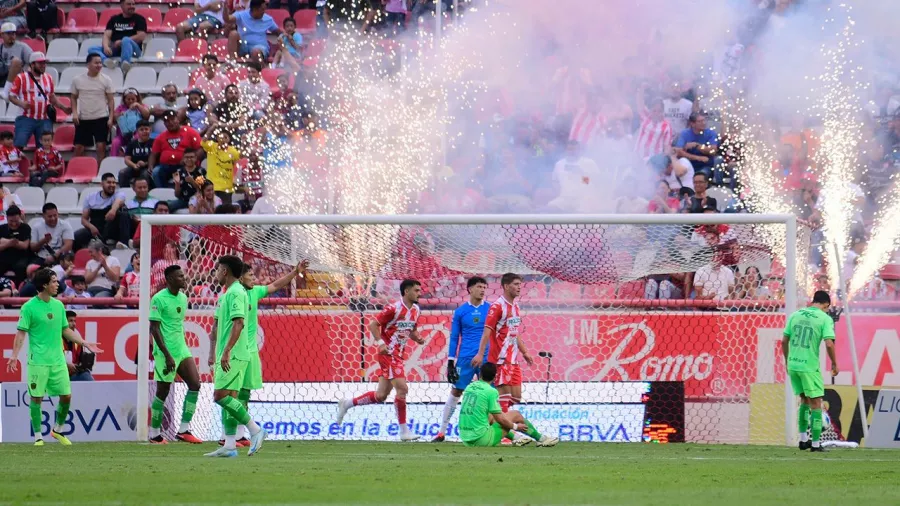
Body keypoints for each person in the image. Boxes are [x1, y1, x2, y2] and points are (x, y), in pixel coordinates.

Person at [5, 268, 103, 446]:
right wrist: (14, 355)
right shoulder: (29, 307)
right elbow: (20, 334)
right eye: (54, 281)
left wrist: (84, 343)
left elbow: (65, 329)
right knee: (37, 398)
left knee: (66, 396)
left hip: (58, 360)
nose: (58, 284)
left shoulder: (58, 306)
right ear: (44, 285)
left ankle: (57, 430)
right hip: (38, 361)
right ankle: (38, 437)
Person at [219, 259, 307, 446]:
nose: (254, 278)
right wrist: (217, 353)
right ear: (240, 277)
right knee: (228, 393)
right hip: (236, 350)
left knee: (243, 393)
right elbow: (217, 327)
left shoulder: (254, 292)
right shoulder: (231, 295)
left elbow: (275, 285)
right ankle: (227, 434)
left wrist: (294, 272)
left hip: (249, 353)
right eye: (250, 275)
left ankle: (239, 435)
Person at [336, 279, 426, 442]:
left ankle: (347, 404)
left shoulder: (416, 310)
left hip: (398, 354)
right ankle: (404, 431)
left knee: (381, 395)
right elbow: (372, 325)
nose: (420, 293)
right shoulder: (393, 308)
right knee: (402, 389)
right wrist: (380, 343)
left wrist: (417, 338)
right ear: (406, 292)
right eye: (417, 290)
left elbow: (411, 330)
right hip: (388, 354)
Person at [204, 255, 267, 457]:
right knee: (230, 398)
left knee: (220, 396)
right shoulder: (230, 293)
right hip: (233, 353)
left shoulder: (236, 293)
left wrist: (227, 350)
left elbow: (238, 323)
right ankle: (230, 445)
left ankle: (255, 430)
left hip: (235, 354)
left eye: (217, 269)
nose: (215, 273)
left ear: (225, 271)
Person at [148, 264, 204, 444]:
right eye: (180, 276)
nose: (185, 279)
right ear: (170, 279)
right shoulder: (158, 299)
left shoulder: (183, 297)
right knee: (162, 392)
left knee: (195, 384)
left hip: (181, 348)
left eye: (184, 276)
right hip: (166, 352)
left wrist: (178, 351)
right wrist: (167, 355)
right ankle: (155, 434)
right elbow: (154, 329)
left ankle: (184, 429)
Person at [433, 276, 490, 442]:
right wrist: (451, 361)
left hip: (486, 356)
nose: (482, 290)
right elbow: (454, 337)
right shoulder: (460, 311)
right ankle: (442, 431)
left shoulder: (491, 309)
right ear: (470, 289)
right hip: (465, 357)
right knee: (456, 390)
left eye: (484, 287)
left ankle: (485, 430)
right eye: (479, 287)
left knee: (487, 393)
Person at [782, 291, 839, 452]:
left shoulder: (795, 314)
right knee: (816, 403)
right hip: (809, 367)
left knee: (804, 401)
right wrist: (834, 363)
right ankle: (815, 444)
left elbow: (784, 340)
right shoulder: (825, 318)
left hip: (793, 365)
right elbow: (829, 344)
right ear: (826, 305)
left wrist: (787, 360)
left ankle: (802, 440)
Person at [473, 273, 533, 415]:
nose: (519, 287)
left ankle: (490, 412)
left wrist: (524, 352)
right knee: (504, 398)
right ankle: (504, 434)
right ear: (506, 286)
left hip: (513, 359)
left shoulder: (516, 306)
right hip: (500, 359)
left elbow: (514, 332)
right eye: (516, 284)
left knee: (516, 397)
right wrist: (480, 354)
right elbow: (487, 332)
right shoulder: (497, 306)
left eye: (520, 284)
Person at [458, 363, 558, 447]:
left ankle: (517, 438)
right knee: (516, 414)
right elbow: (500, 419)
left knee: (490, 416)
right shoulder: (491, 391)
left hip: (466, 439)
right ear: (495, 376)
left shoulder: (469, 387)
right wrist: (515, 427)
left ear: (480, 374)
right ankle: (542, 439)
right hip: (481, 440)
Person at [9, 52, 69, 151]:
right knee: (18, 145)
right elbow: (11, 96)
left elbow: (52, 96)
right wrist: (21, 103)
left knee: (45, 148)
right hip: (26, 117)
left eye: (44, 63)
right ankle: (14, 166)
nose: (43, 65)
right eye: (40, 63)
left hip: (44, 118)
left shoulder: (48, 78)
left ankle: (42, 166)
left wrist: (63, 108)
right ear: (32, 64)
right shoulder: (21, 78)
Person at [71, 54, 116, 163]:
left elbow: (111, 100)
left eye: (100, 62)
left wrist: (110, 118)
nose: (99, 65)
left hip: (101, 117)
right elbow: (73, 97)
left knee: (101, 147)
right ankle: (78, 170)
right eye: (96, 62)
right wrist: (75, 113)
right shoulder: (77, 80)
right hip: (84, 118)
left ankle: (100, 173)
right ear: (88, 64)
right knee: (78, 147)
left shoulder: (107, 79)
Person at [87, 0, 146, 72]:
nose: (132, 6)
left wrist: (121, 42)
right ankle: (106, 61)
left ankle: (125, 63)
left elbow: (141, 36)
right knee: (92, 49)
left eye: (133, 4)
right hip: (116, 49)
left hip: (133, 51)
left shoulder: (139, 19)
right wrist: (106, 47)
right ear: (122, 6)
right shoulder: (114, 19)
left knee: (126, 40)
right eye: (129, 4)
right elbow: (106, 35)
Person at [74, 172, 128, 250]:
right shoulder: (90, 197)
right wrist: (91, 227)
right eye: (109, 182)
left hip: (112, 228)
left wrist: (113, 210)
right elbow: (84, 220)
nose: (112, 185)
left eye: (114, 183)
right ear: (101, 184)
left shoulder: (119, 194)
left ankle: (124, 243)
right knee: (77, 236)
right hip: (96, 227)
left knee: (123, 214)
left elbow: (118, 201)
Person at [150, 110, 201, 189]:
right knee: (156, 172)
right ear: (164, 124)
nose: (170, 122)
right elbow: (153, 154)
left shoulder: (190, 132)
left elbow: (200, 149)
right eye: (167, 121)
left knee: (182, 174)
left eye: (172, 119)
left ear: (178, 119)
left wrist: (189, 160)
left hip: (186, 165)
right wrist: (150, 166)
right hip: (166, 166)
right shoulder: (161, 137)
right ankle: (164, 194)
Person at [226, 0, 280, 65]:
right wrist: (224, 9)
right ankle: (232, 62)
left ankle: (262, 70)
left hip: (259, 47)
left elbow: (279, 32)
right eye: (262, 10)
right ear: (254, 9)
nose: (264, 12)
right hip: (243, 45)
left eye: (264, 9)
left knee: (255, 52)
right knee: (233, 34)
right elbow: (227, 19)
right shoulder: (241, 14)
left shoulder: (268, 19)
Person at [201, 127, 240, 206]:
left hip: (227, 188)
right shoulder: (212, 146)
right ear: (217, 138)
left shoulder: (234, 151)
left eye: (225, 137)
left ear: (229, 140)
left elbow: (239, 164)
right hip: (212, 188)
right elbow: (202, 141)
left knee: (225, 213)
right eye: (221, 137)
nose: (223, 140)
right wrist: (211, 129)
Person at [30, 203, 73, 267]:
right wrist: (43, 241)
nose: (53, 218)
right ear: (43, 216)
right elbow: (33, 248)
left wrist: (54, 256)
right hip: (41, 257)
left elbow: (68, 245)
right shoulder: (36, 227)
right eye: (50, 216)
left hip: (60, 256)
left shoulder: (65, 225)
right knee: (30, 269)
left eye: (55, 215)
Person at [111, 87, 150, 157]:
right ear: (124, 99)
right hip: (122, 135)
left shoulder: (142, 106)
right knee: (115, 142)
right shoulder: (120, 107)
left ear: (137, 99)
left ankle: (135, 157)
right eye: (128, 99)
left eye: (133, 99)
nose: (131, 101)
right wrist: (119, 115)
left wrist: (138, 106)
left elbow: (147, 115)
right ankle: (113, 159)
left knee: (136, 139)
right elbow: (114, 117)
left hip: (137, 134)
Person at [0, 204, 32, 283]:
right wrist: (10, 243)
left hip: (21, 257)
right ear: (7, 218)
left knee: (20, 267)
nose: (14, 224)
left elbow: (24, 245)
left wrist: (4, 241)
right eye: (11, 221)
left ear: (20, 217)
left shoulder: (25, 228)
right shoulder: (2, 228)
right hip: (4, 257)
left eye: (16, 221)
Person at [0, 22, 30, 98]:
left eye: (13, 33)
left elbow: (32, 61)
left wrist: (23, 70)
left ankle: (6, 92)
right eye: (8, 34)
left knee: (16, 61)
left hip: (18, 78)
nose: (11, 36)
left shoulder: (22, 47)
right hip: (2, 76)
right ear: (2, 35)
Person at [121, 119, 152, 187]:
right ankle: (125, 193)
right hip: (134, 167)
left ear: (150, 130)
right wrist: (134, 165)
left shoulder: (154, 142)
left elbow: (157, 159)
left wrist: (145, 164)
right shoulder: (132, 143)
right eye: (141, 129)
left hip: (148, 168)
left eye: (146, 129)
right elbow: (127, 159)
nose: (144, 131)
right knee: (122, 173)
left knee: (145, 174)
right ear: (137, 131)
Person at [64, 311, 94, 381]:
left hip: (72, 375)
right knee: (85, 377)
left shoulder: (78, 341)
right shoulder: (56, 340)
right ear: (64, 323)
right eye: (70, 321)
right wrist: (66, 365)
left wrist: (86, 363)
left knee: (85, 374)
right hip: (59, 375)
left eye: (75, 321)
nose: (74, 324)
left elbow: (79, 361)